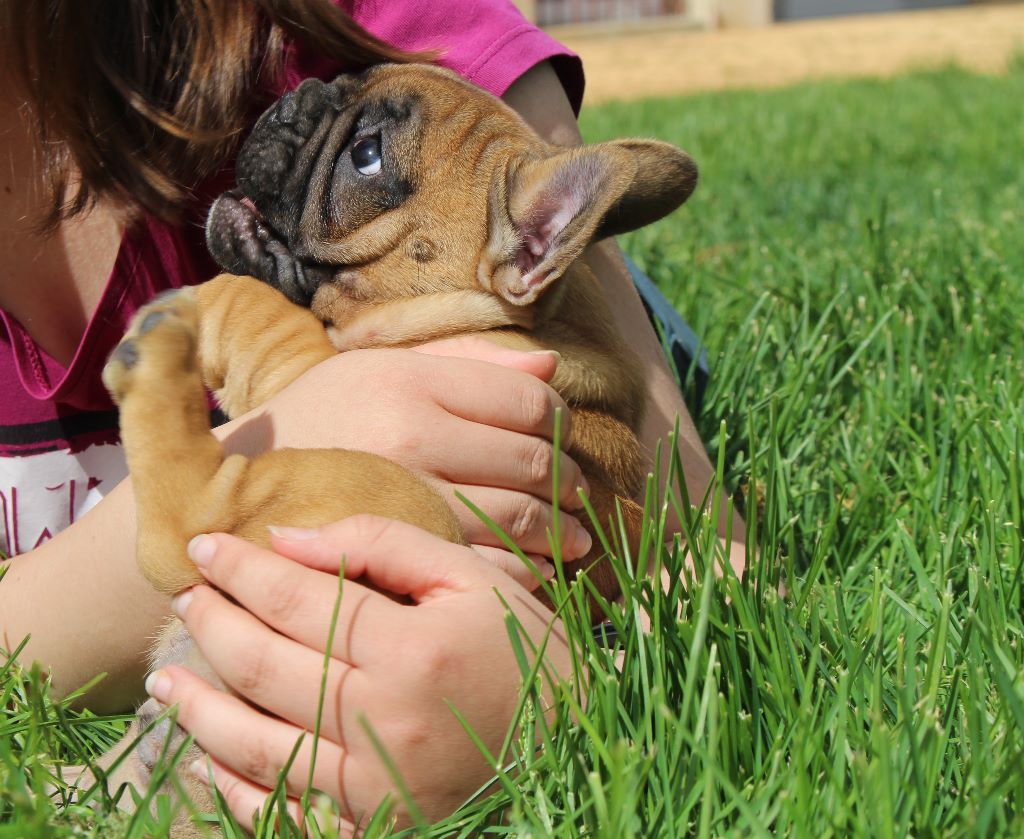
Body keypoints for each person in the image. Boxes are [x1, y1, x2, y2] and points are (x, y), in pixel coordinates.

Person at [0, 0, 746, 829]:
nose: (296, 110)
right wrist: (287, 444)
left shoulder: (381, 26)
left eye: (361, 152)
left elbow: (713, 563)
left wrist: (563, 700)